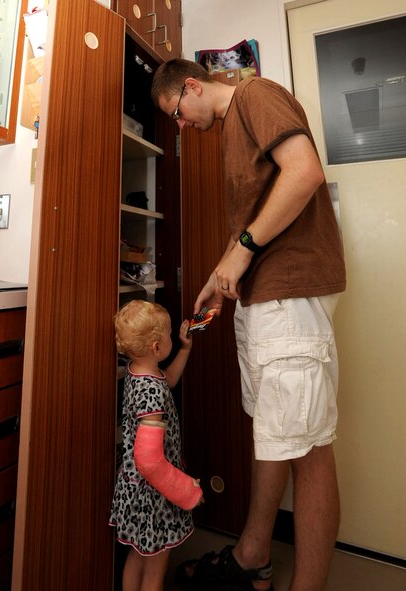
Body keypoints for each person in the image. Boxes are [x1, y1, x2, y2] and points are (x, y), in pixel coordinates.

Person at [151, 59, 346, 591]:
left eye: (177, 112)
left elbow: (304, 172)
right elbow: (259, 219)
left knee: (308, 449)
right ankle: (253, 555)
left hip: (290, 296)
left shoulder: (255, 96)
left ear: (191, 85)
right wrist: (222, 272)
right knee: (275, 432)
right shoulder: (234, 126)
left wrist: (240, 254)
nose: (182, 125)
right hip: (265, 299)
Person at [109, 300, 203, 591]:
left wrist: (185, 347)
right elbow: (149, 461)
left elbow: (169, 380)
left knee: (137, 558)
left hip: (133, 489)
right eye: (168, 335)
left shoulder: (138, 371)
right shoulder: (152, 391)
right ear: (156, 347)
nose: (171, 338)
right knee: (155, 571)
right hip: (155, 496)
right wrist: (187, 491)